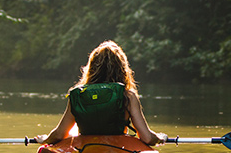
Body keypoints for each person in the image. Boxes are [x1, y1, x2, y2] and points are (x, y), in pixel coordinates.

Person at [35, 40, 166, 146]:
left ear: (91, 68)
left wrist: (46, 140)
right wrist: (160, 137)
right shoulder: (128, 96)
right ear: (122, 69)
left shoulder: (78, 95)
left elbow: (59, 134)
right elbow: (147, 138)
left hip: (85, 150)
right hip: (118, 150)